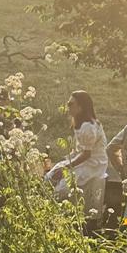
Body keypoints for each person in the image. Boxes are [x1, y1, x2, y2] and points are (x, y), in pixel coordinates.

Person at [44, 90, 108, 218]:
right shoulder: (81, 123)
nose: (68, 107)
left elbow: (87, 154)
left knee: (62, 189)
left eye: (71, 104)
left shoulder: (88, 127)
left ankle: (66, 216)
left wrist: (66, 167)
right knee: (49, 177)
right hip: (83, 159)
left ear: (81, 107)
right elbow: (80, 150)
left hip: (93, 164)